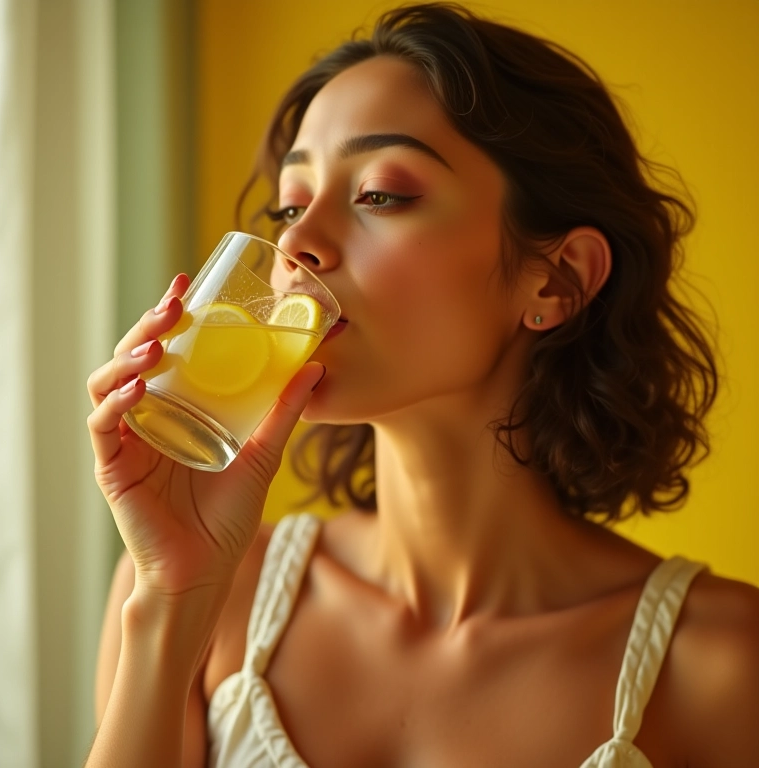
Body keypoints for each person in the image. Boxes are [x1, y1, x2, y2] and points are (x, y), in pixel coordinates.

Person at [86, 4, 759, 767]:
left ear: (559, 279)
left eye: (380, 194)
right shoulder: (206, 597)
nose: (296, 244)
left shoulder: (723, 665)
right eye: (291, 205)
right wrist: (174, 602)